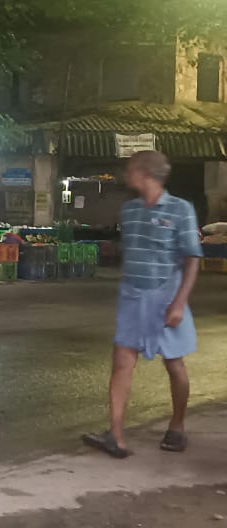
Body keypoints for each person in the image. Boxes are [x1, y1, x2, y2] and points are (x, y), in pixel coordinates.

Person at [83, 150, 201, 459]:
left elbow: (191, 259)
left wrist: (179, 303)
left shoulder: (181, 209)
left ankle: (177, 426)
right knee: (122, 361)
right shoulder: (130, 210)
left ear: (144, 173)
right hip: (133, 297)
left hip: (167, 298)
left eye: (131, 169)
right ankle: (116, 435)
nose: (126, 174)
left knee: (174, 364)